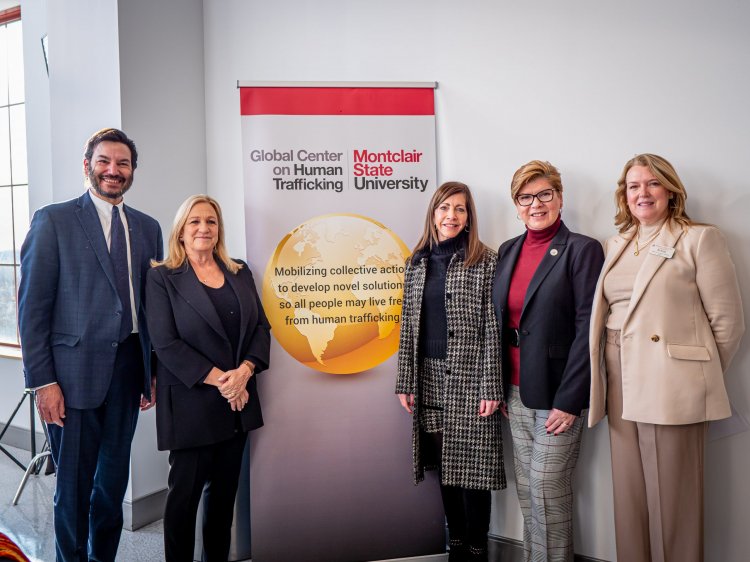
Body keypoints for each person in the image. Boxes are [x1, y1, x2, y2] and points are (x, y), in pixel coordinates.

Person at [588, 154, 744, 562]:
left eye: (652, 184)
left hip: (670, 383)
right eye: (634, 185)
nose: (643, 193)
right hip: (618, 374)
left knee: (674, 502)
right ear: (624, 194)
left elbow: (727, 323)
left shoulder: (698, 238)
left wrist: (692, 378)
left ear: (671, 190)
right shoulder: (616, 243)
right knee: (630, 496)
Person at [18, 128, 163, 562]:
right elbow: (33, 310)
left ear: (132, 171)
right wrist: (43, 382)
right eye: (104, 162)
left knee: (112, 485)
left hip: (128, 371)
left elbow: (150, 306)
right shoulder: (54, 220)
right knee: (73, 489)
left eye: (122, 164)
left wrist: (150, 372)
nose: (113, 171)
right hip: (70, 378)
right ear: (88, 166)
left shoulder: (148, 228)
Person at [145, 194, 271, 562]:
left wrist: (245, 371)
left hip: (238, 403)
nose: (204, 228)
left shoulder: (239, 271)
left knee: (222, 499)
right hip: (190, 403)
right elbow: (165, 343)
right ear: (181, 231)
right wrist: (225, 382)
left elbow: (261, 329)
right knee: (183, 500)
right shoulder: (161, 277)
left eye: (211, 222)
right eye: (195, 222)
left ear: (219, 230)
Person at [492, 160, 604, 562]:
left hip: (558, 393)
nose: (535, 204)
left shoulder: (582, 249)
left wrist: (570, 400)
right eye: (526, 197)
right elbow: (501, 323)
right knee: (528, 490)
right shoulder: (508, 250)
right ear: (516, 205)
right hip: (516, 390)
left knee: (546, 488)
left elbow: (588, 329)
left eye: (544, 194)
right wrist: (498, 384)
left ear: (559, 197)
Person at [396, 181, 504, 562]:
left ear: (469, 217)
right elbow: (408, 325)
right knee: (445, 466)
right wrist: (405, 381)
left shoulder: (486, 261)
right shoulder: (416, 261)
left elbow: (494, 327)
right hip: (427, 377)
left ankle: (477, 548)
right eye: (444, 208)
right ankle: (455, 544)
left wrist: (492, 386)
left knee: (472, 472)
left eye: (460, 209)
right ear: (433, 213)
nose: (451, 216)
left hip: (470, 378)